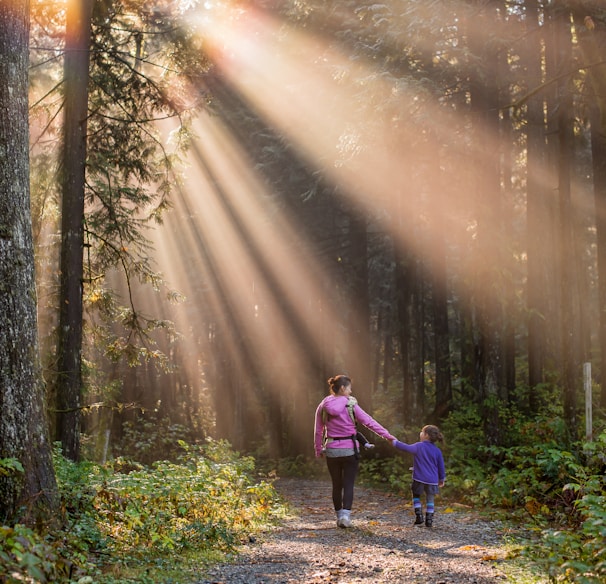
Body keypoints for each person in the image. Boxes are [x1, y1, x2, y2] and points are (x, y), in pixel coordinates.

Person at [314, 374, 395, 528]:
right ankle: (346, 516)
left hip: (332, 450)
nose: (351, 391)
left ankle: (339, 517)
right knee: (348, 483)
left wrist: (318, 449)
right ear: (343, 388)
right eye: (349, 388)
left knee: (336, 484)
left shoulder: (323, 405)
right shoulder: (351, 404)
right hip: (350, 450)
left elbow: (318, 430)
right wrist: (388, 436)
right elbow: (369, 422)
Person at [392, 425, 446, 528]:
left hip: (419, 478)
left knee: (416, 495)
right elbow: (441, 467)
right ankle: (429, 520)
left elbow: (405, 448)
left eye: (422, 432)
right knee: (430, 499)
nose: (420, 433)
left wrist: (394, 442)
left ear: (426, 435)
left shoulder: (419, 446)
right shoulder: (437, 451)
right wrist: (441, 479)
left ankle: (419, 516)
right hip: (432, 480)